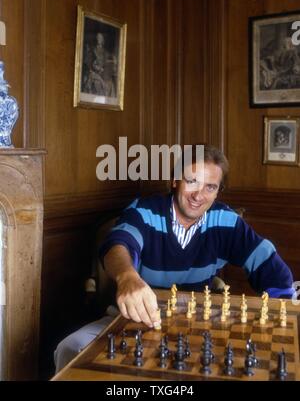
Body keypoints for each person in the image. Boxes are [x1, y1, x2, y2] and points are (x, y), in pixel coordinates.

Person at [54, 144, 294, 372]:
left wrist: (283, 317)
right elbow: (118, 244)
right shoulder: (144, 211)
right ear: (175, 180)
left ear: (218, 191)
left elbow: (269, 265)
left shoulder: (225, 220)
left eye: (210, 187)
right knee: (69, 348)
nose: (199, 195)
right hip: (135, 319)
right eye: (192, 181)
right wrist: (127, 276)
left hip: (198, 324)